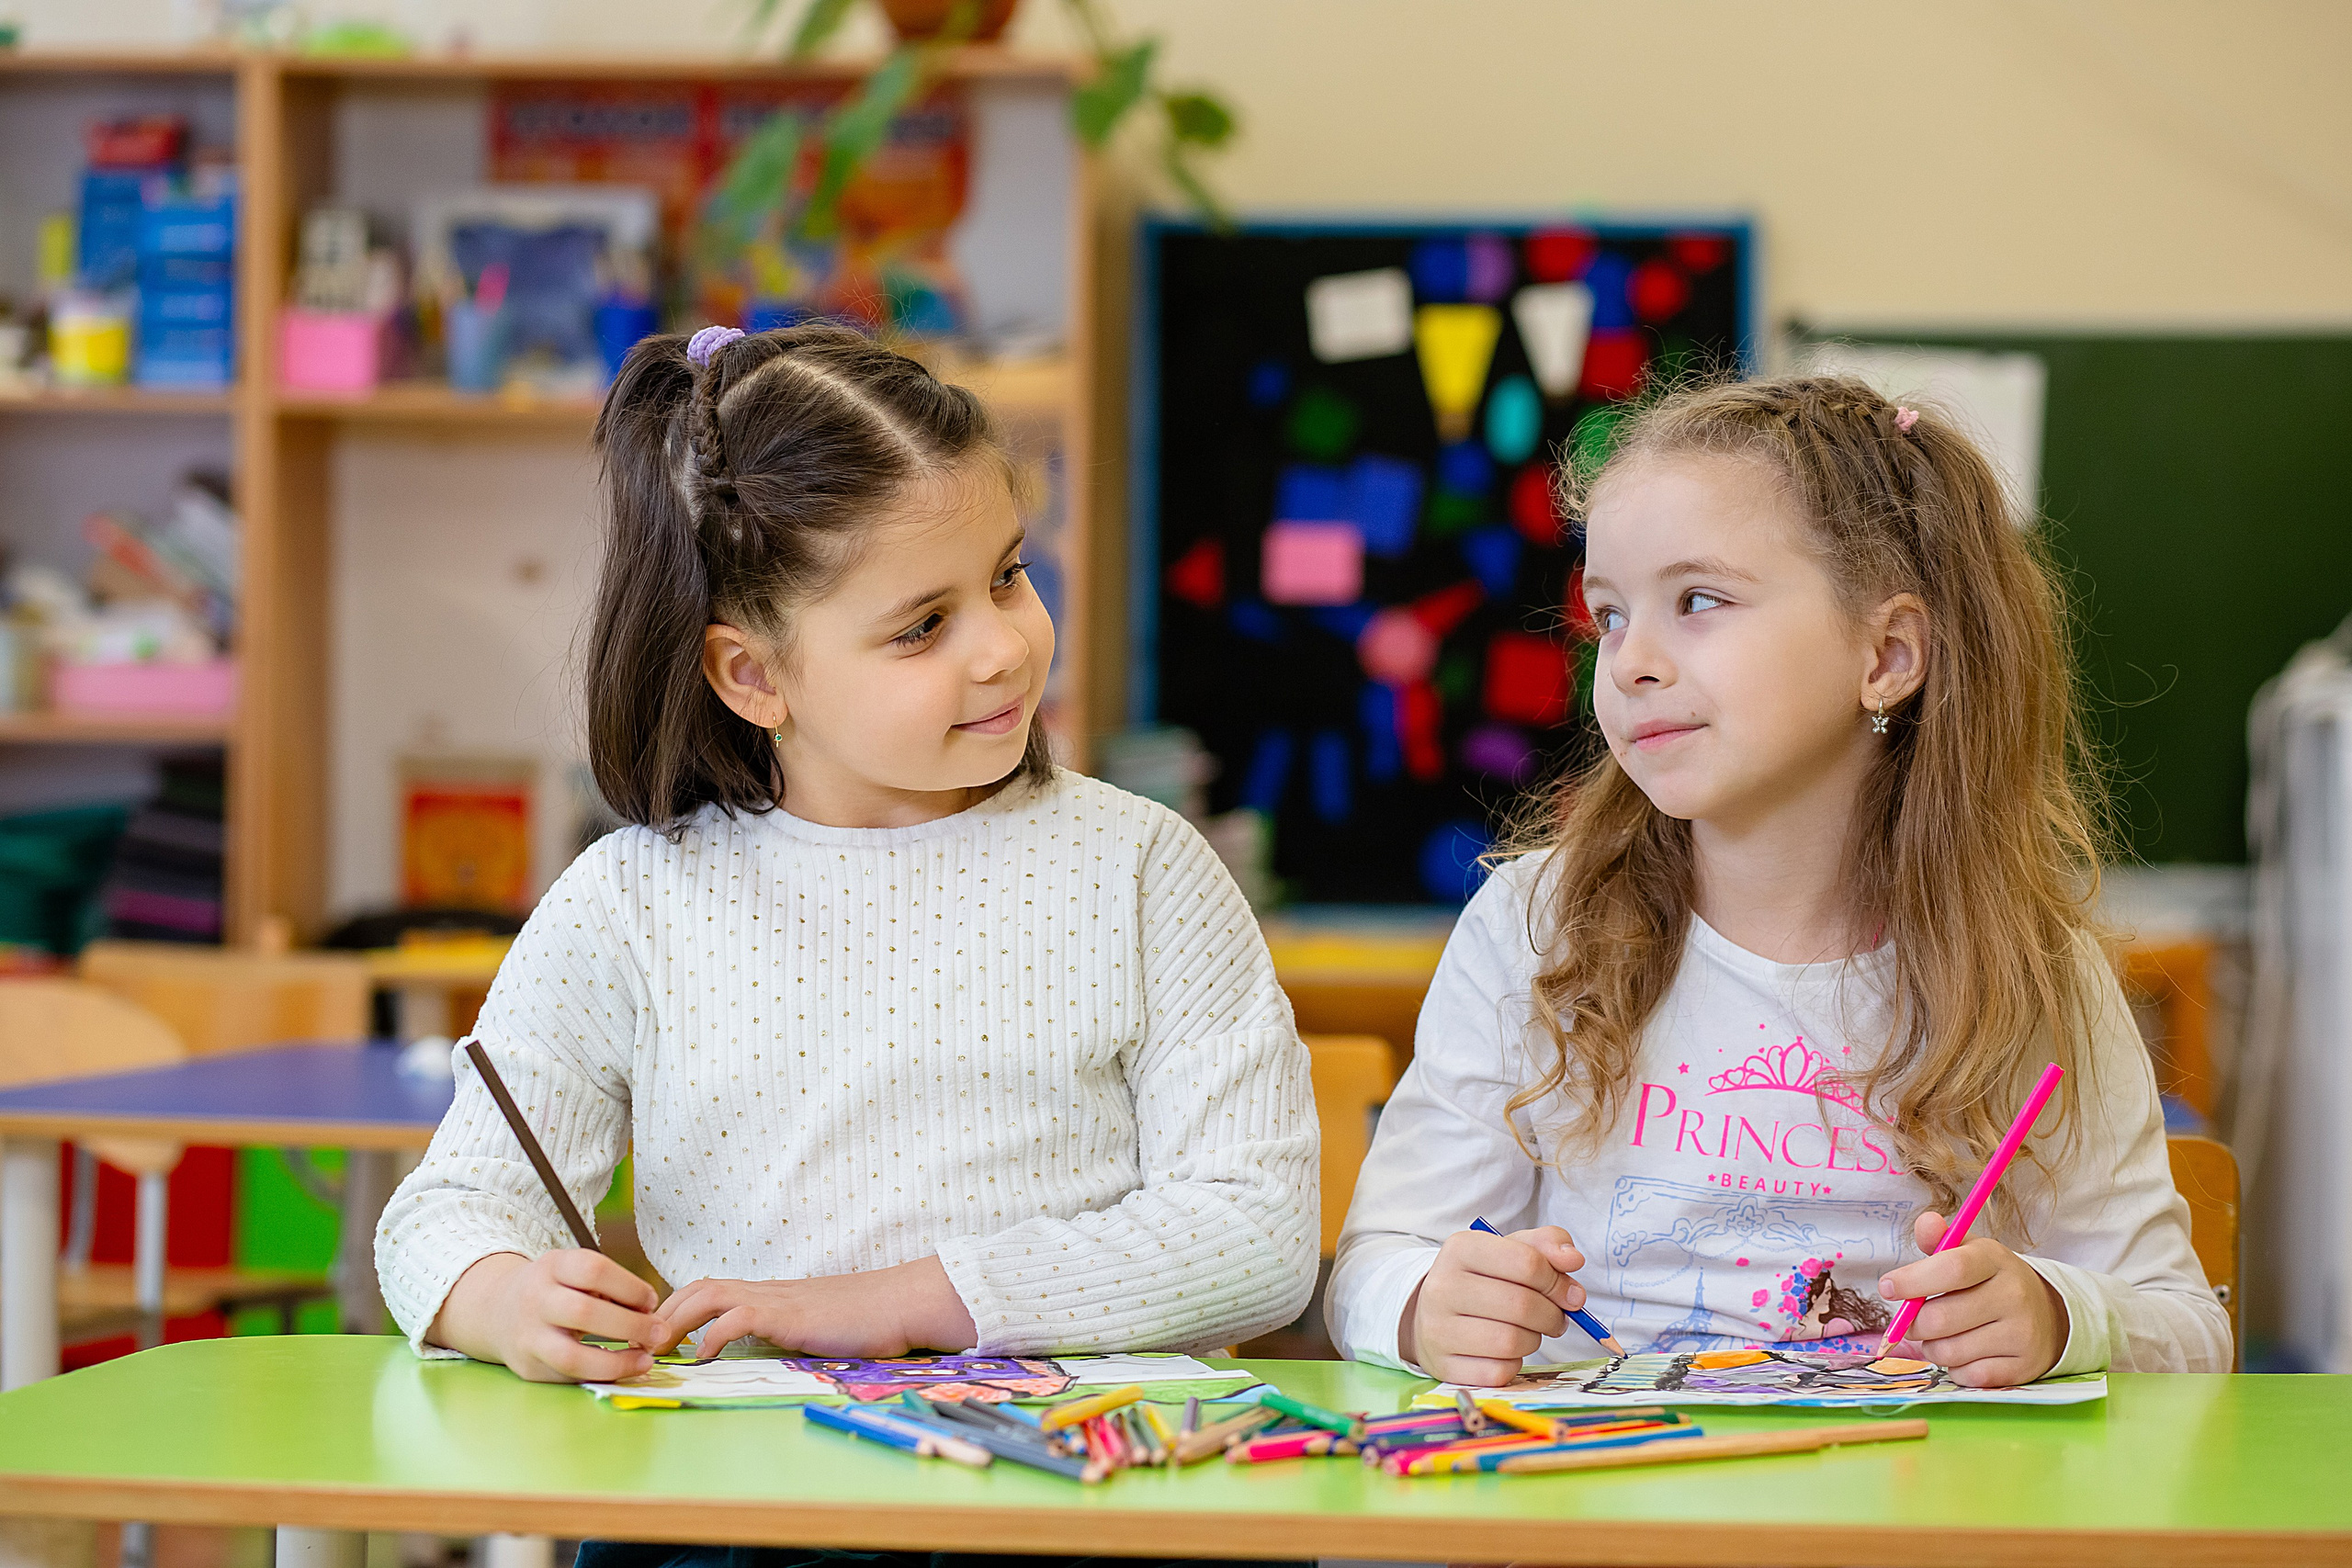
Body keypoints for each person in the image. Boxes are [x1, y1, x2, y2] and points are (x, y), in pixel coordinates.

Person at [376, 324, 1317, 1397]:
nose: (1004, 645)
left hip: (1081, 1465)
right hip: (755, 1467)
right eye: (922, 626)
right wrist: (501, 1298)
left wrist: (901, 1303)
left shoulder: (1142, 866)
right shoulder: (631, 900)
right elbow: (444, 1214)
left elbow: (1259, 1235)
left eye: (1008, 576)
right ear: (753, 676)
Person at [1326, 375, 2231, 1389]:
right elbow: (1373, 1266)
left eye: (1698, 601)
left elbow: (2188, 1330)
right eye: (1610, 615)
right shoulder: (1533, 930)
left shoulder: (2031, 971)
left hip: (1909, 1486)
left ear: (1887, 655)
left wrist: (2060, 1317)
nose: (1628, 662)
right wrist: (1424, 1307)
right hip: (1600, 1482)